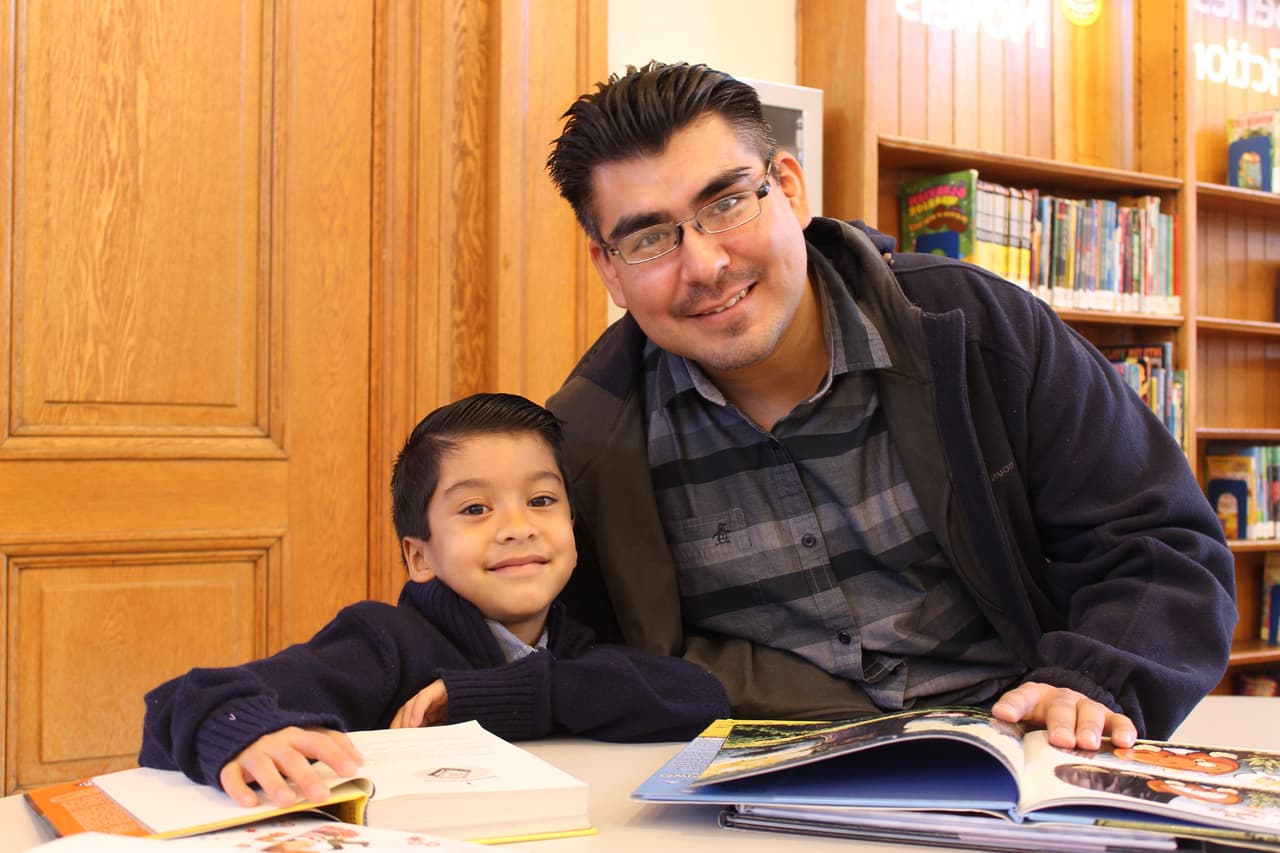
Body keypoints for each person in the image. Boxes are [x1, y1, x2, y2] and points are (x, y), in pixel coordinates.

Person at [543, 60, 1236, 748]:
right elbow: (521, 619)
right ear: (609, 267)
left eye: (725, 204)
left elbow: (1160, 544)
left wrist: (1091, 680)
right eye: (649, 238)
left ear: (788, 188)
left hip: (1020, 752)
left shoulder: (977, 330)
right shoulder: (588, 438)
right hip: (764, 795)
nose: (704, 265)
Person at [139, 392, 728, 809]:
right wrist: (246, 737)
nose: (517, 526)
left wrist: (500, 696)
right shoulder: (383, 642)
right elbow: (183, 701)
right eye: (475, 509)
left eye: (542, 500)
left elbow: (698, 697)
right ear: (419, 557)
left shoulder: (574, 646)